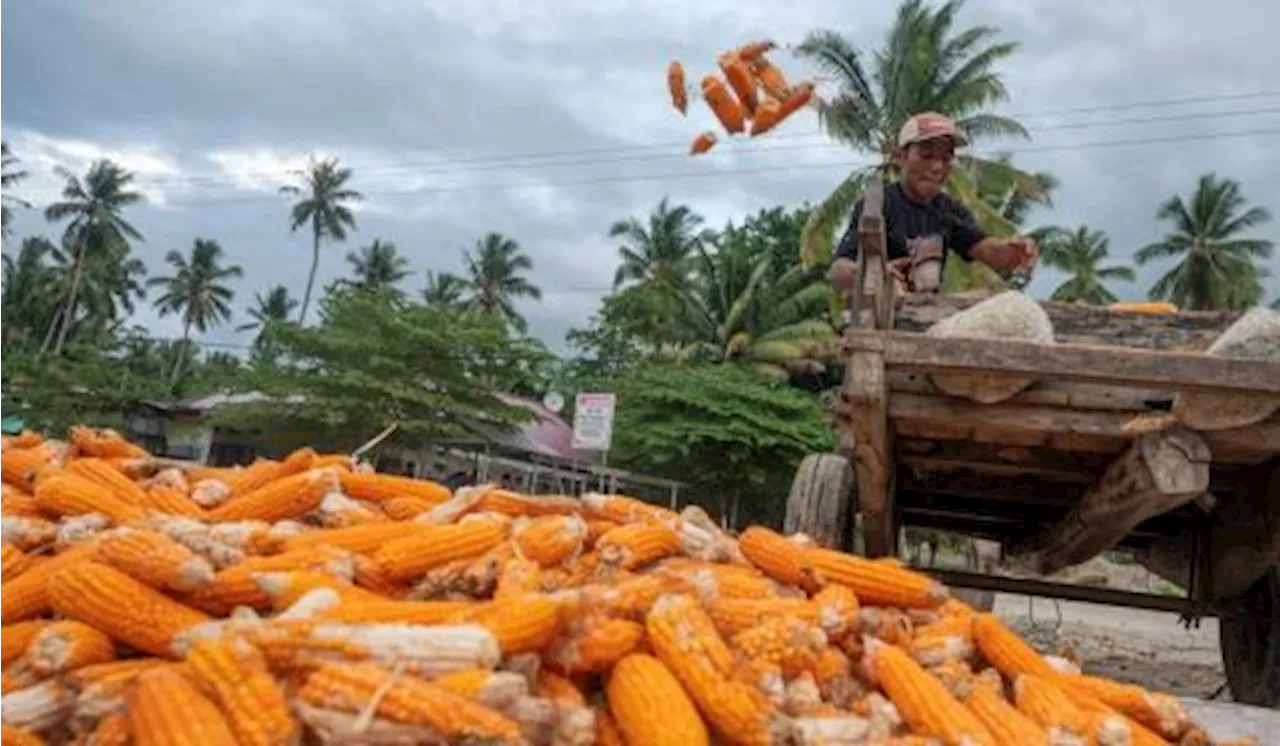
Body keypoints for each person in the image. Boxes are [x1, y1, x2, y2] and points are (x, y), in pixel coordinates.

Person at [829, 111, 1038, 294]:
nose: (937, 167)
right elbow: (838, 272)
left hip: (925, 320)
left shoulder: (948, 211)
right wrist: (872, 274)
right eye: (926, 156)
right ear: (901, 157)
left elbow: (987, 251)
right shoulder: (877, 205)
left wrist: (1014, 253)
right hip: (879, 323)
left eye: (945, 159)